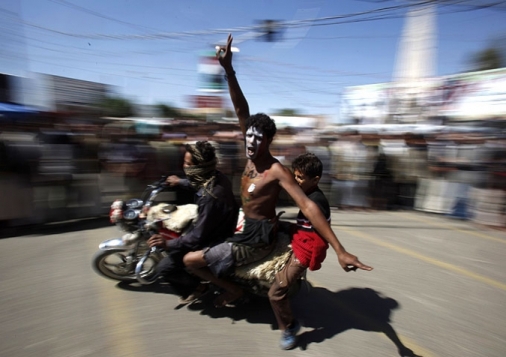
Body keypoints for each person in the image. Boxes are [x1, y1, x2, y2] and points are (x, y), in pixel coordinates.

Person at [183, 34, 372, 317]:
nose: (249, 143)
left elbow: (307, 206)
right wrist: (228, 70)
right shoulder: (249, 153)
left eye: (257, 139)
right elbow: (240, 108)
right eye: (247, 136)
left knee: (190, 259)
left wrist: (340, 249)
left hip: (256, 239)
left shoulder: (276, 170)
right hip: (242, 223)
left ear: (268, 140)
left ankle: (233, 290)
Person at [147, 141, 238, 302]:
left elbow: (197, 237)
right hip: (215, 226)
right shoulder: (216, 176)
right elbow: (198, 184)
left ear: (200, 167)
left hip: (214, 238)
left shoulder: (210, 197)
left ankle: (199, 288)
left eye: (188, 163)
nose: (184, 166)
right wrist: (179, 182)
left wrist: (168, 244)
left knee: (164, 268)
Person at [268, 152, 332, 349]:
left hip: (304, 253)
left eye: (300, 178)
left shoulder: (315, 202)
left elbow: (321, 238)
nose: (296, 180)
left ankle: (289, 327)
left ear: (316, 179)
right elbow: (305, 227)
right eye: (295, 176)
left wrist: (307, 261)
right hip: (300, 239)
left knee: (275, 293)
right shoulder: (306, 194)